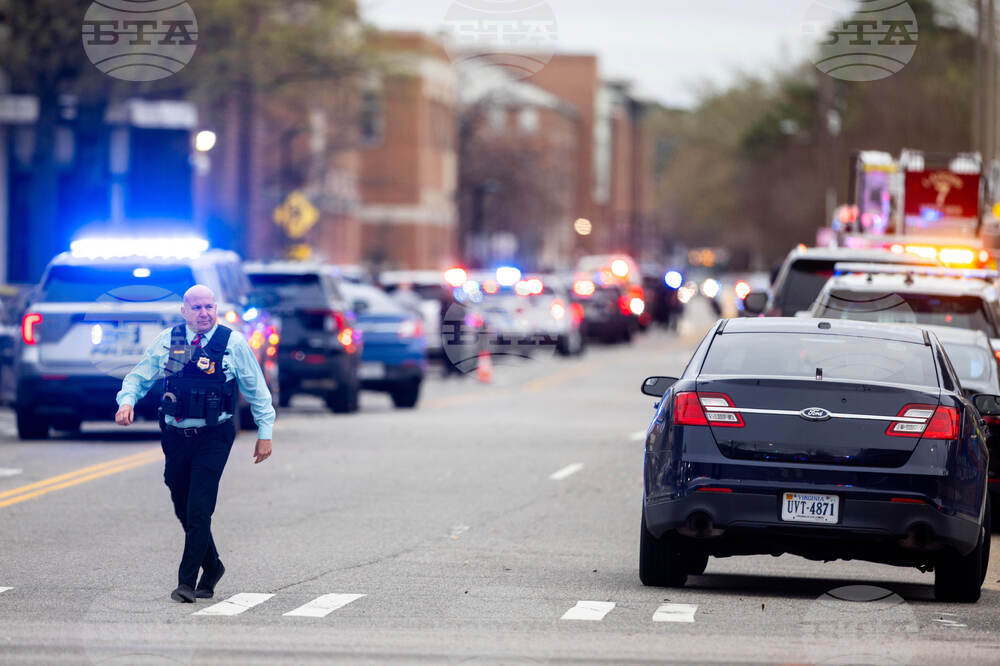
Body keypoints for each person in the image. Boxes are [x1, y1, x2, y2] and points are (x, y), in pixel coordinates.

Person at [114, 284, 275, 603]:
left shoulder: (232, 343)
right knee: (182, 504)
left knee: (200, 508)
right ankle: (213, 566)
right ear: (184, 311)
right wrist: (126, 401)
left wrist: (264, 431)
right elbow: (139, 377)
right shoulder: (168, 341)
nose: (204, 313)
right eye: (197, 308)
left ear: (216, 309)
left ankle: (186, 582)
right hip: (175, 435)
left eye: (209, 307)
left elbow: (256, 389)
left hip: (214, 435)